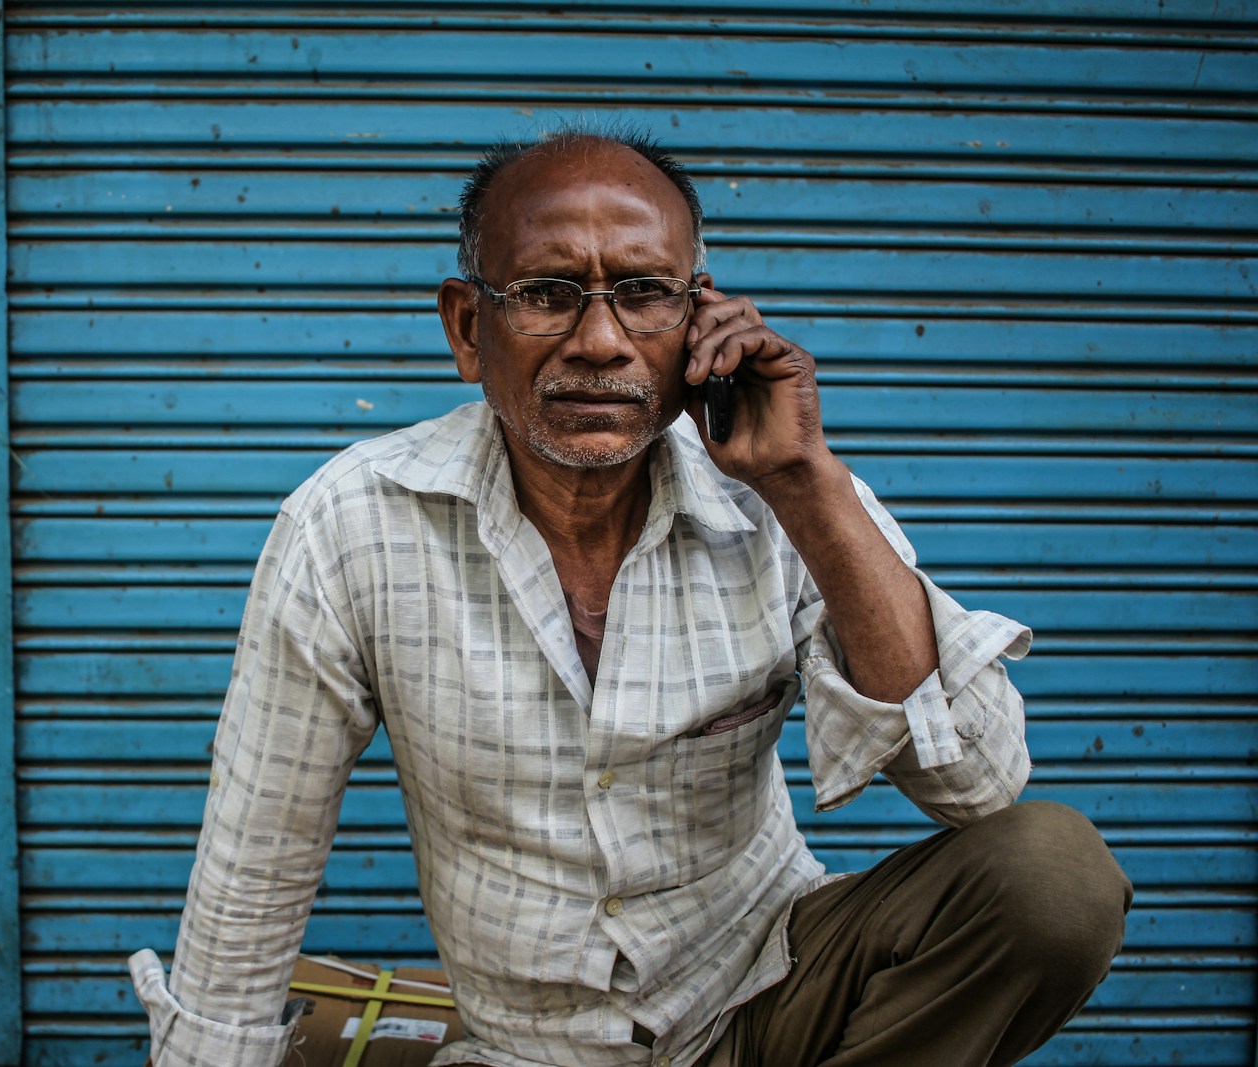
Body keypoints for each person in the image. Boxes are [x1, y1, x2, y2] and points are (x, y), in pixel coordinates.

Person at [129, 126, 1132, 1067]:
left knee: (1051, 878)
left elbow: (982, 787)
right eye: (548, 291)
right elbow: (256, 859)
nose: (600, 339)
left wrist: (806, 484)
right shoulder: (350, 523)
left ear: (700, 317)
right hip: (528, 1045)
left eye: (643, 292)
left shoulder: (786, 494)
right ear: (468, 326)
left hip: (764, 994)